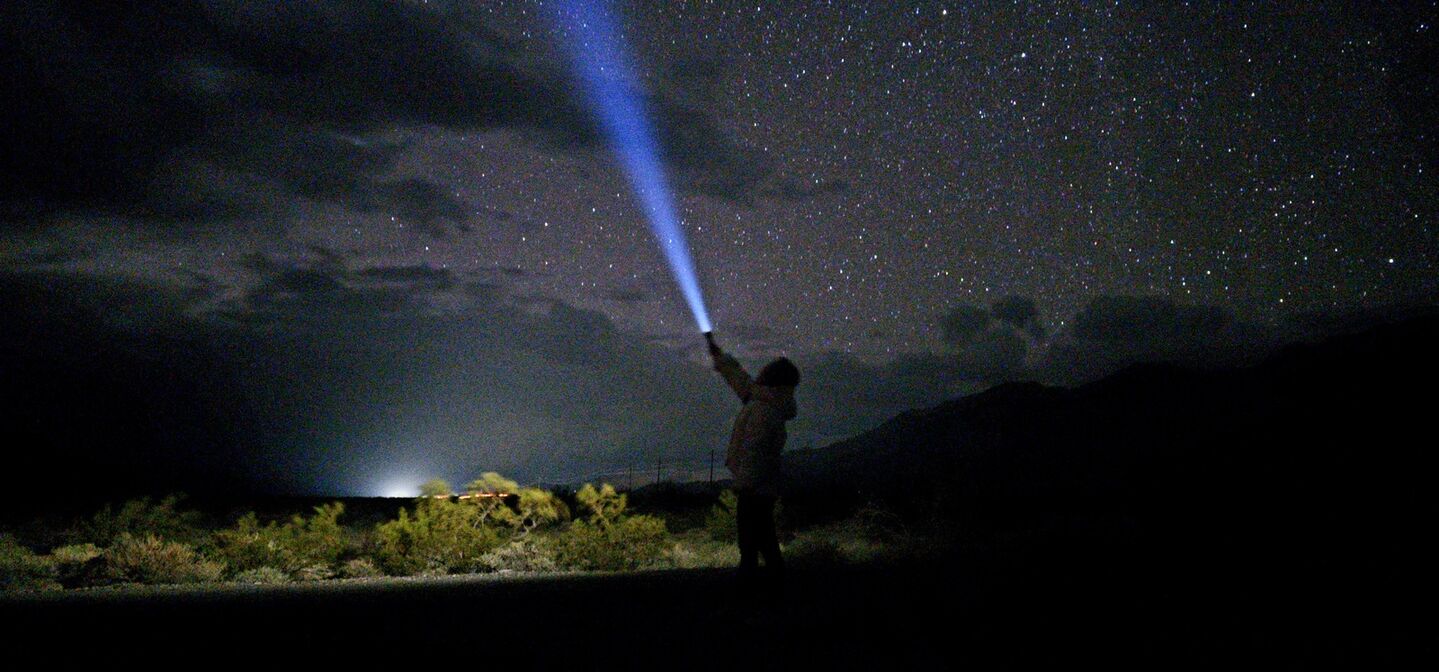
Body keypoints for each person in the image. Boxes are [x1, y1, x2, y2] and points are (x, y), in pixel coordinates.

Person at [706, 332, 799, 593]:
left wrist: (745, 485)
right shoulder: (764, 401)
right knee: (762, 541)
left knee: (752, 544)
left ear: (771, 379)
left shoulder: (764, 410)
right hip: (759, 487)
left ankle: (753, 595)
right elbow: (739, 379)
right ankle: (770, 592)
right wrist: (718, 355)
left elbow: (756, 452)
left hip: (755, 489)